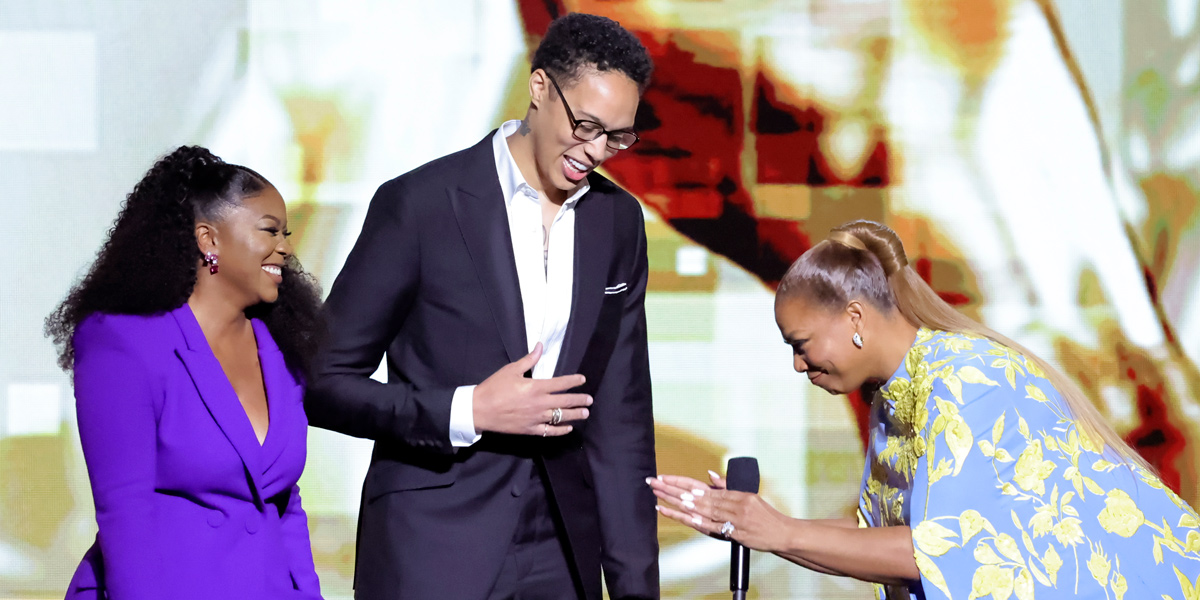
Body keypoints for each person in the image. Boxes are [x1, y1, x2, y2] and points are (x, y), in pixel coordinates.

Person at [650, 220, 1200, 599]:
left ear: (856, 320)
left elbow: (939, 550)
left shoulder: (967, 378)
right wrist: (752, 525)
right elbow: (879, 539)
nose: (798, 365)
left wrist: (781, 531)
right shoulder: (897, 395)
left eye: (801, 343)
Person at [304, 12, 658, 600]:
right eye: (587, 125)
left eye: (616, 136)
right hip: (431, 543)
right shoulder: (420, 204)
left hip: (562, 549)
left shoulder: (617, 221)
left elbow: (621, 417)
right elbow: (321, 380)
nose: (596, 151)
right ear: (540, 88)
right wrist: (468, 410)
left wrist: (634, 588)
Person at [47, 146, 324, 599]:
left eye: (286, 233)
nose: (286, 248)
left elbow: (284, 506)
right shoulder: (123, 342)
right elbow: (125, 515)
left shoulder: (279, 349)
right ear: (208, 239)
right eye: (270, 231)